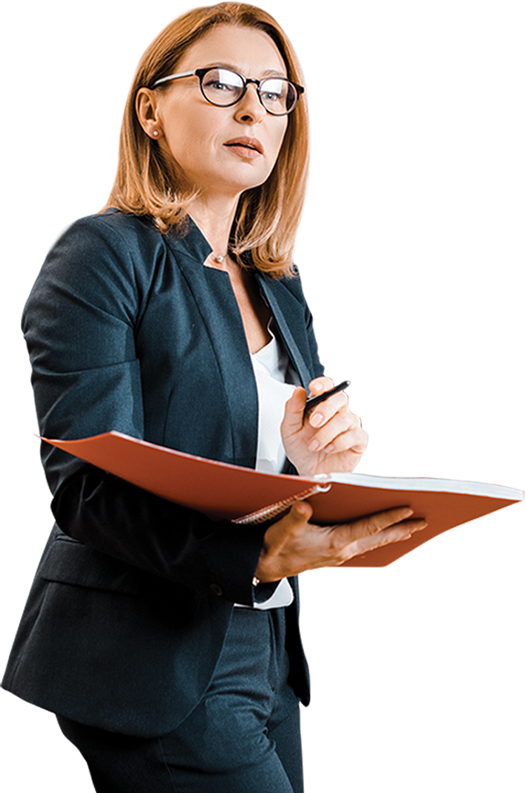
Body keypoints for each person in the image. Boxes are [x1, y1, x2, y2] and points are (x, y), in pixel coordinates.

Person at [4, 4, 426, 792]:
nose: (250, 109)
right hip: (146, 655)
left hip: (265, 649)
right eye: (220, 82)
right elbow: (85, 487)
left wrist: (312, 458)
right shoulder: (102, 255)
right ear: (150, 109)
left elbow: (244, 461)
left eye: (274, 92)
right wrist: (254, 554)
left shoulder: (277, 286)